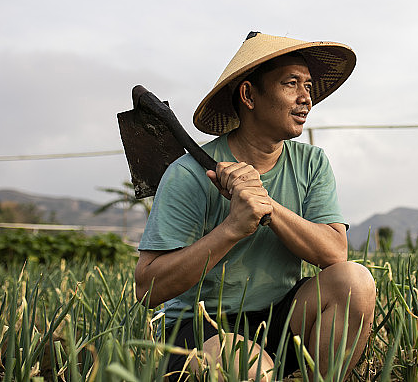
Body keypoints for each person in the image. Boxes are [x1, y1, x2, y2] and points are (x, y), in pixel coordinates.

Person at [134, 32, 376, 381]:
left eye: (308, 86)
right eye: (291, 83)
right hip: (201, 325)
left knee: (355, 280)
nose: (306, 98)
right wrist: (233, 228)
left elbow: (334, 252)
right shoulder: (188, 174)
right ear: (249, 95)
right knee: (253, 371)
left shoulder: (312, 163)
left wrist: (269, 208)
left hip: (280, 316)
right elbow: (147, 289)